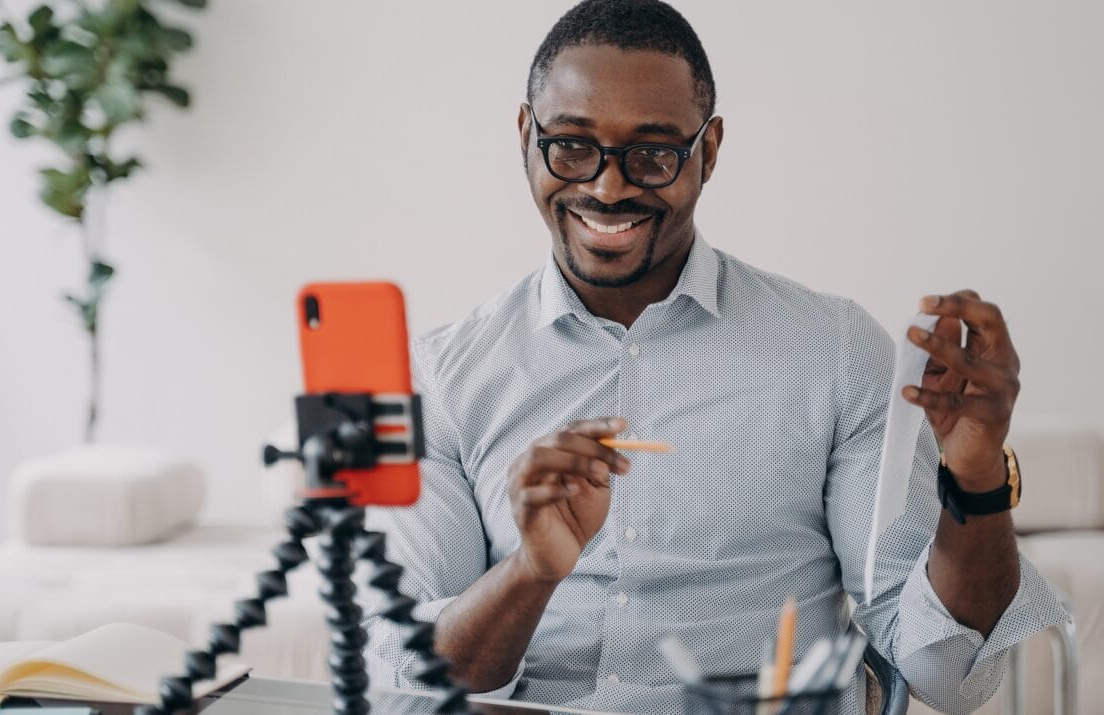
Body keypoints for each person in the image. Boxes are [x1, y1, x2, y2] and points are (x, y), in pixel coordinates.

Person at [361, 1, 1069, 712]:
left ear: (709, 150)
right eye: (572, 145)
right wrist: (529, 570)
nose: (608, 187)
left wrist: (975, 473)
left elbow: (948, 671)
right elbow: (405, 686)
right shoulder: (441, 377)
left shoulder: (832, 349)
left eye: (653, 153)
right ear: (526, 135)